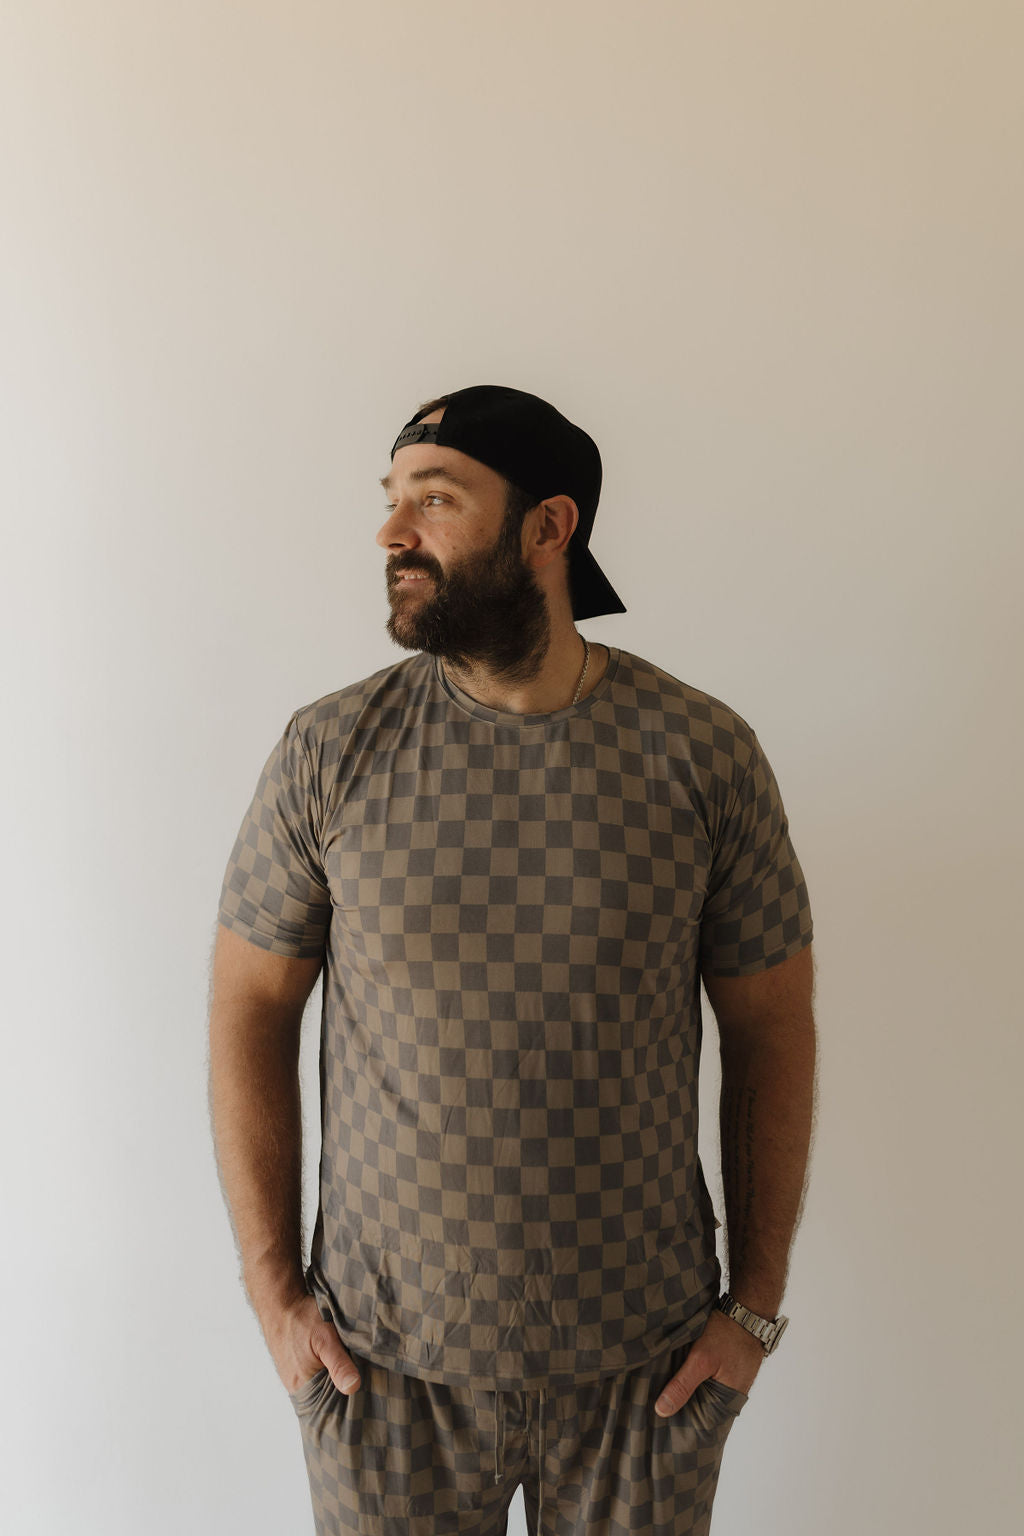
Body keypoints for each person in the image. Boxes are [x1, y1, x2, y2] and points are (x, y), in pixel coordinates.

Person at [208, 384, 816, 1536]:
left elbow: (770, 1026)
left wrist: (757, 1308)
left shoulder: (702, 755)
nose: (394, 533)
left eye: (433, 500)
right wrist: (274, 1295)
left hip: (648, 1374)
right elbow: (247, 1003)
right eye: (391, 503)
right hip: (382, 1378)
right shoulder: (331, 751)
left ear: (548, 526)